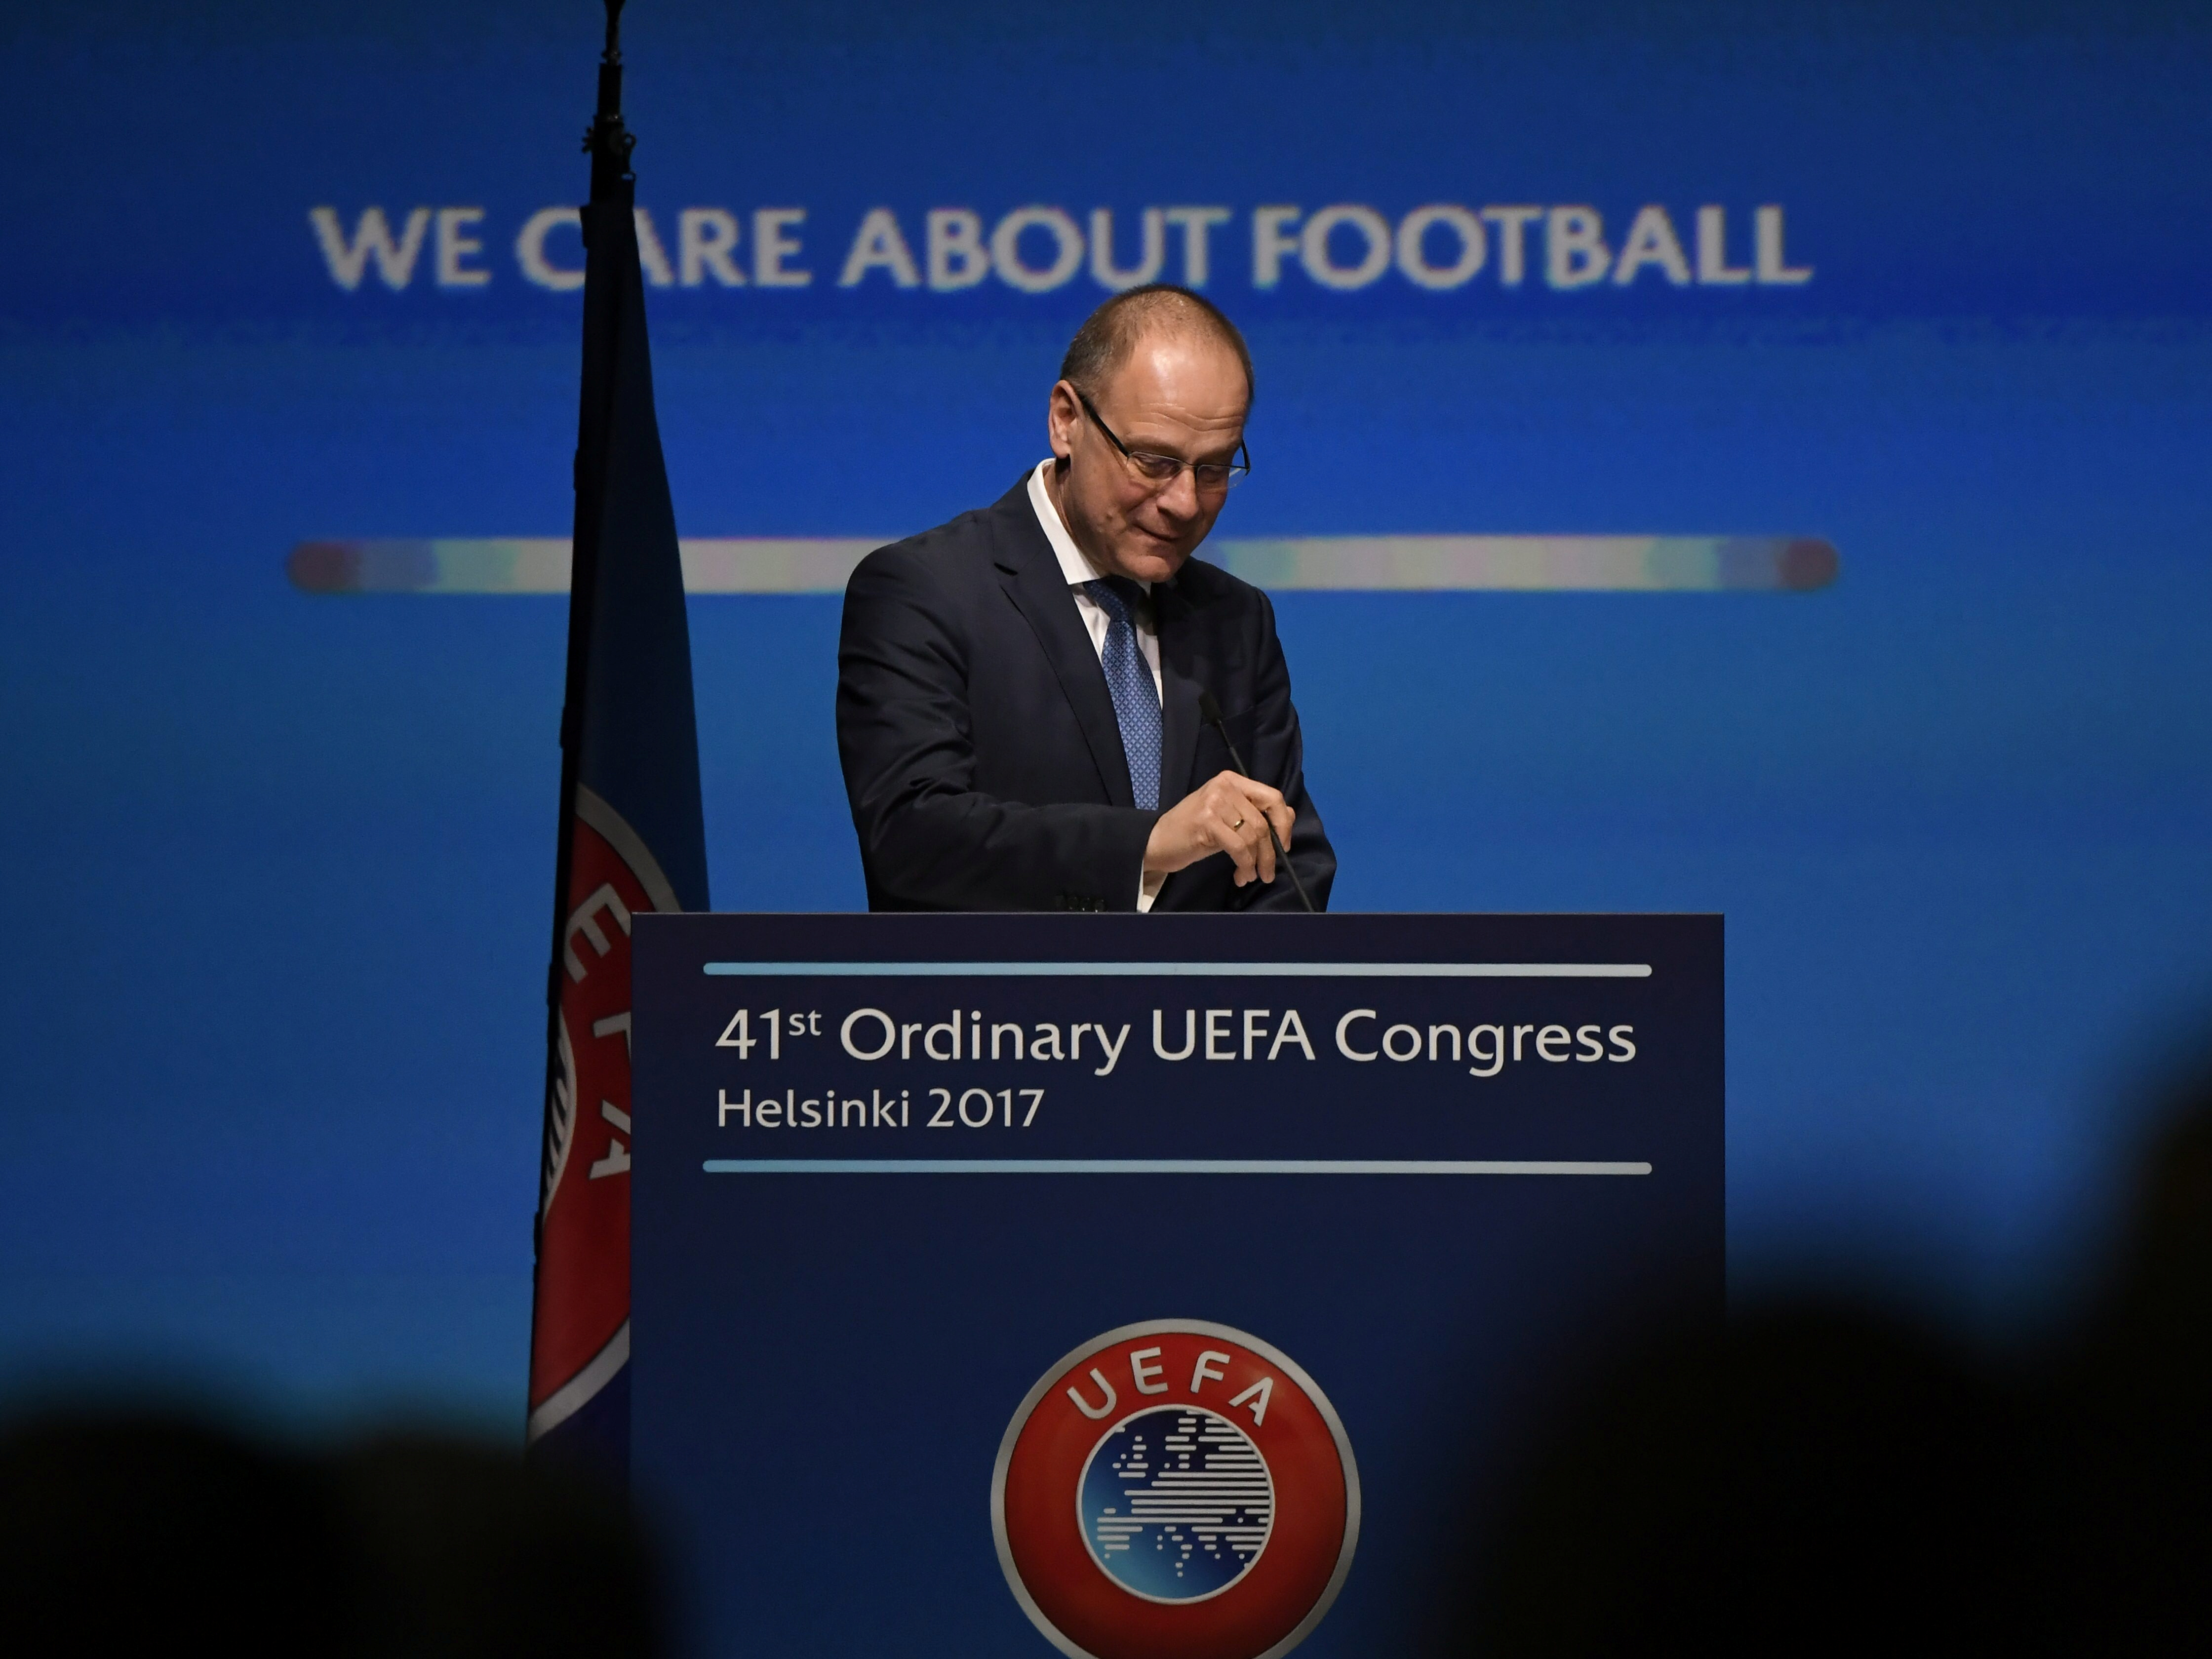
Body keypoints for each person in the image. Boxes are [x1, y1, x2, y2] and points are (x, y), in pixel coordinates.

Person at [836, 284, 1335, 912]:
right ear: (1067, 421)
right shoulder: (925, 592)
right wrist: (1146, 845)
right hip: (992, 1010)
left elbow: (1290, 872)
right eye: (1154, 461)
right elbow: (912, 838)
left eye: (1212, 469)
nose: (1184, 502)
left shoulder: (1236, 618)